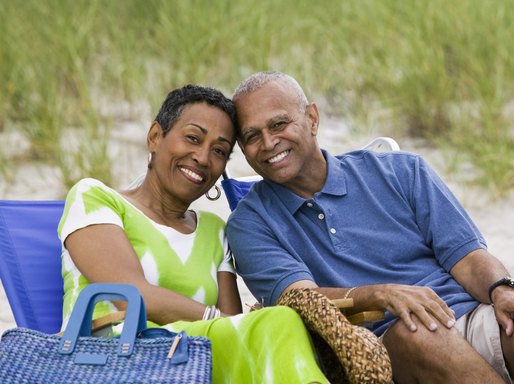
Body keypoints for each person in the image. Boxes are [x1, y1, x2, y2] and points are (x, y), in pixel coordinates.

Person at [226, 71, 514, 384]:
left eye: (279, 124)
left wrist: (503, 290)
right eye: (252, 136)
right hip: (380, 344)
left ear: (312, 119)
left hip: (465, 315)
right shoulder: (251, 223)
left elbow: (466, 257)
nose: (268, 144)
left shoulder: (399, 172)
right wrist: (381, 293)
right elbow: (302, 299)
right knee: (420, 334)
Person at [57, 84, 366, 383]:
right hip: (112, 355)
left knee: (283, 323)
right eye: (193, 138)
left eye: (219, 151)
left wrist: (240, 322)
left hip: (194, 365)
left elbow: (232, 326)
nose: (203, 158)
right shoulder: (96, 198)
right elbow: (131, 296)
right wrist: (214, 317)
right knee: (280, 322)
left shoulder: (214, 229)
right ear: (155, 136)